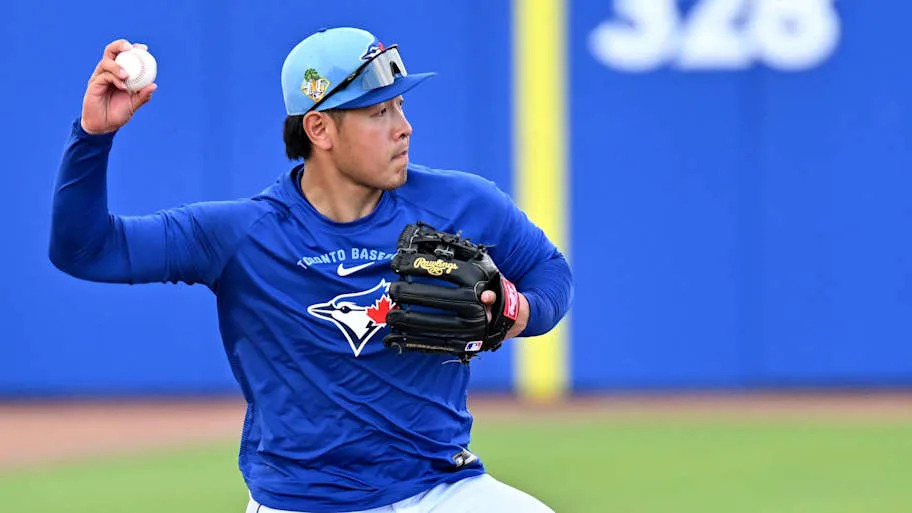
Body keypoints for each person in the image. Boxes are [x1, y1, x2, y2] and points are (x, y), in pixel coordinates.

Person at [50, 27, 573, 513]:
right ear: (319, 127)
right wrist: (92, 138)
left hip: (437, 488)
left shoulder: (461, 203)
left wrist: (521, 310)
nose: (404, 128)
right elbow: (86, 250)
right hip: (303, 500)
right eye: (379, 113)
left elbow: (549, 271)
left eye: (400, 106)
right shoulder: (242, 235)